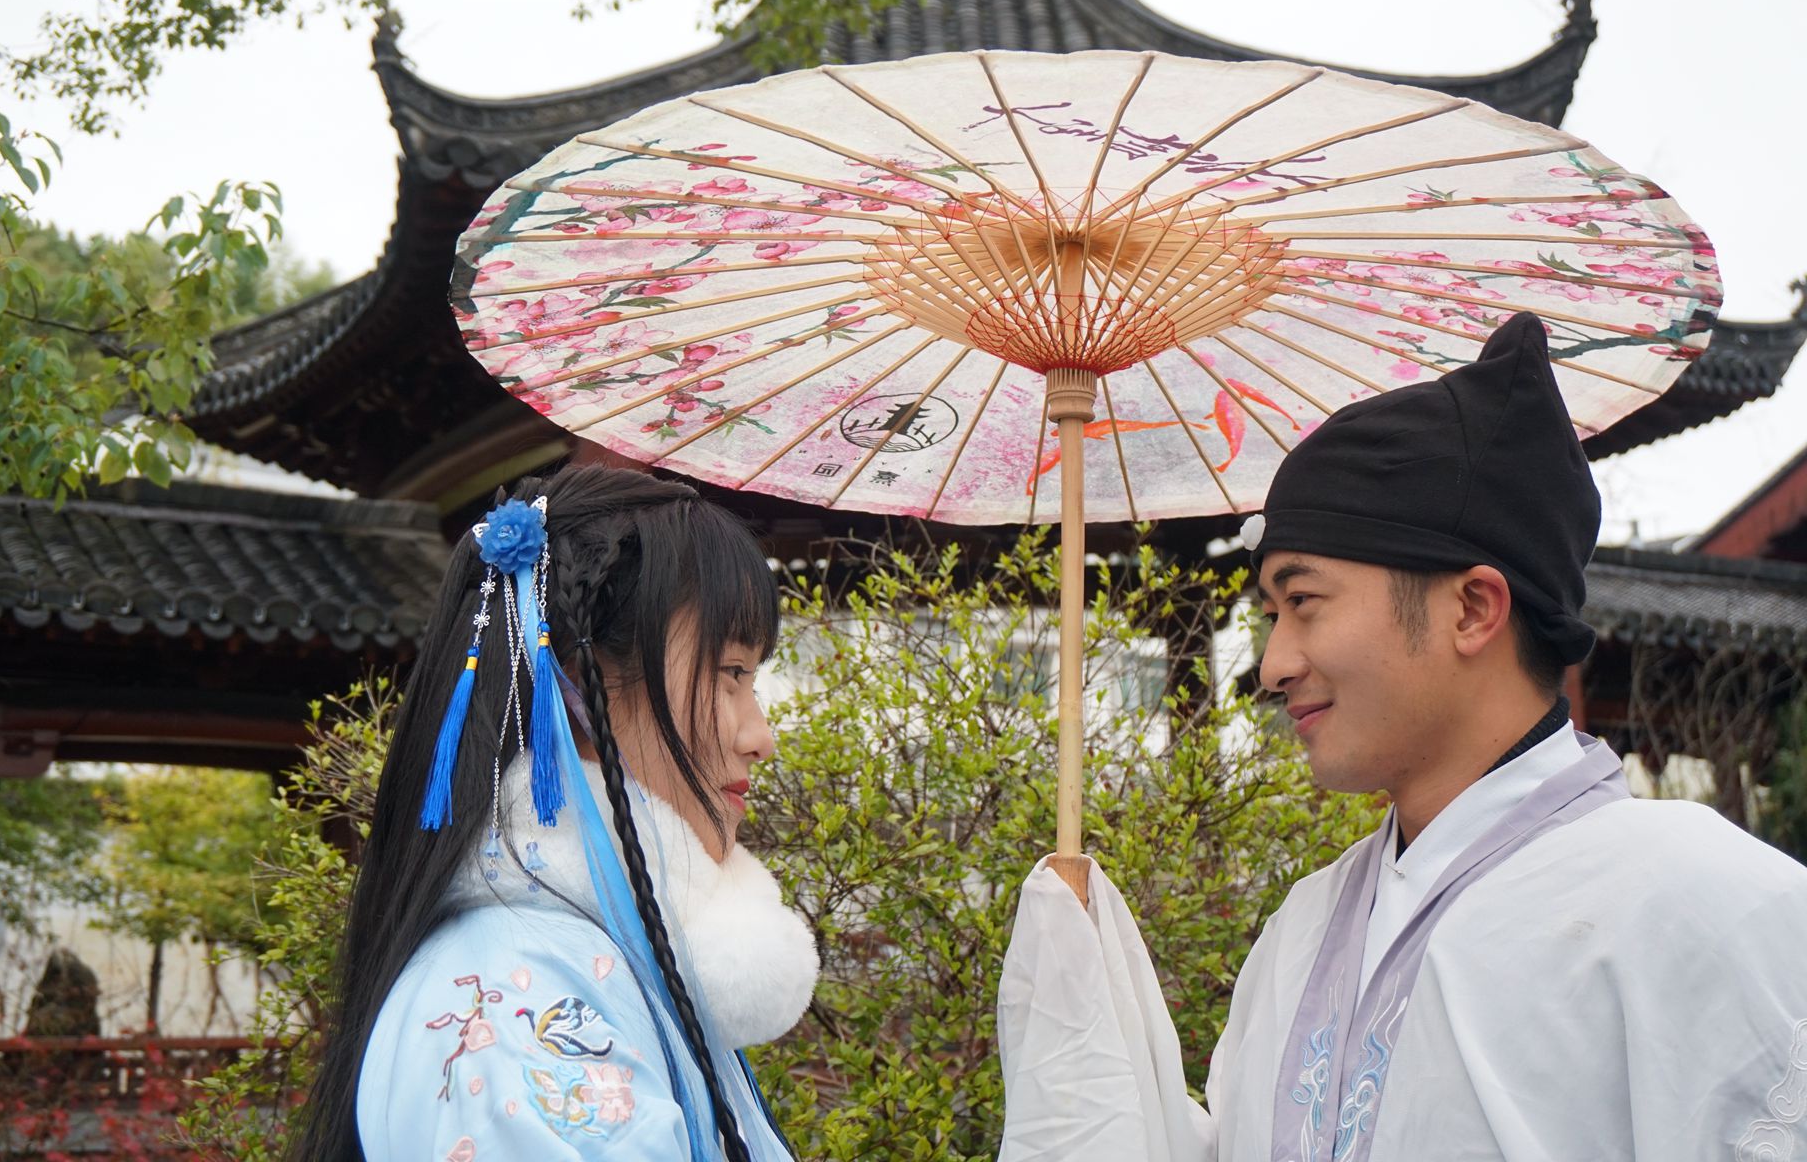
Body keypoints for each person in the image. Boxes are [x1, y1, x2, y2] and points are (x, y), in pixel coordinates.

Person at [997, 313, 1807, 1161]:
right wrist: (1087, 1020)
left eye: (1303, 601)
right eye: (1269, 615)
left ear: (1472, 609)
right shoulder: (1303, 927)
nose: (1273, 664)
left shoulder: (1709, 907)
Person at [290, 466, 818, 1162]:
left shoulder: (586, 957)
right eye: (731, 675)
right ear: (579, 683)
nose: (761, 735)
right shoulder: (516, 992)